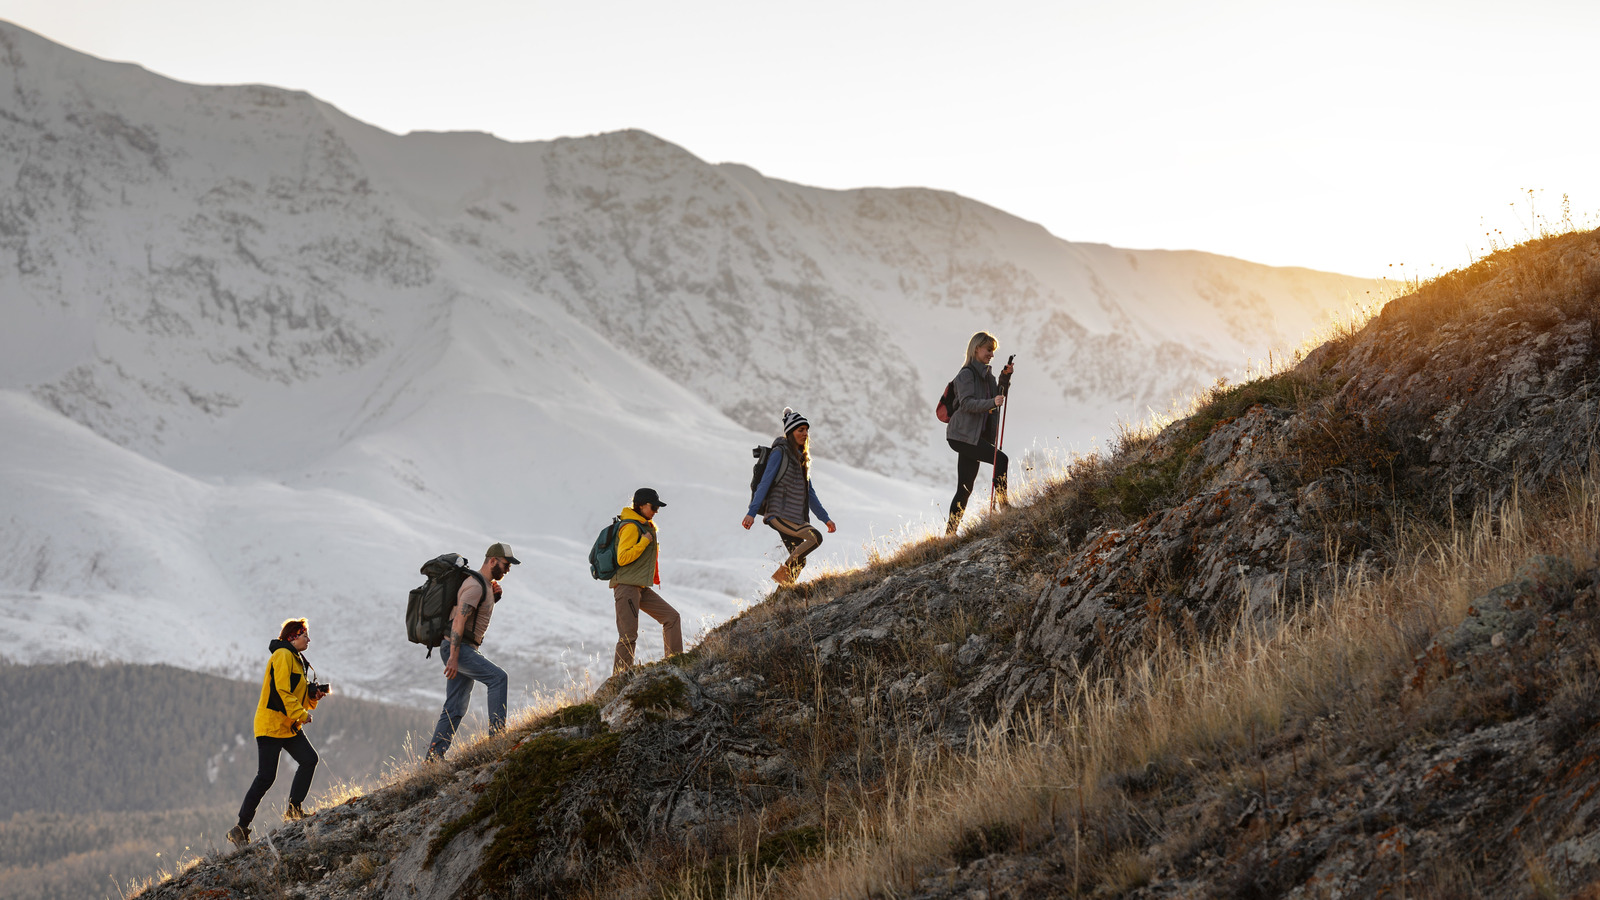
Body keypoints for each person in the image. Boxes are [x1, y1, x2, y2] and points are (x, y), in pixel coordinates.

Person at [228, 617, 327, 847]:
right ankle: (240, 828)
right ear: (292, 637)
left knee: (309, 759)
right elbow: (282, 692)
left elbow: (295, 694)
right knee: (266, 777)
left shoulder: (296, 658)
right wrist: (302, 714)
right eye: (305, 635)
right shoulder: (283, 655)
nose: (309, 640)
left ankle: (294, 810)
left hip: (287, 726)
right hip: (271, 726)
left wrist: (313, 697)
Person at [426, 543, 519, 760]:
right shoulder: (475, 585)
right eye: (506, 565)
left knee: (455, 707)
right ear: (492, 560)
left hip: (461, 648)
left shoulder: (484, 586)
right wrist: (454, 657)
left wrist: (493, 599)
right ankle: (497, 741)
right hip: (458, 648)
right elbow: (459, 620)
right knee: (498, 678)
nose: (507, 570)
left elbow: (474, 616)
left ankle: (433, 759)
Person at [743, 407, 837, 584]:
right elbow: (765, 482)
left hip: (795, 518)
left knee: (799, 561)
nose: (805, 433)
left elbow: (810, 494)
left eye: (806, 430)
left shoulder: (802, 459)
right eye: (801, 430)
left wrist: (825, 519)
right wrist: (751, 512)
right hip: (778, 514)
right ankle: (781, 579)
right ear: (791, 432)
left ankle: (780, 595)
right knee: (815, 537)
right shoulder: (779, 453)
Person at [945, 331, 1014, 534]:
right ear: (977, 349)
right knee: (1001, 459)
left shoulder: (987, 375)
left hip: (971, 436)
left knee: (965, 488)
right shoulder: (966, 374)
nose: (992, 354)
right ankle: (1004, 507)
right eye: (989, 350)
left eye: (993, 351)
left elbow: (998, 396)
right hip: (962, 435)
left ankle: (949, 535)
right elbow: (967, 403)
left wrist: (1005, 377)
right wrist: (992, 402)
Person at [611, 487, 683, 674]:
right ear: (641, 505)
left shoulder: (643, 526)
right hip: (626, 587)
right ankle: (618, 682)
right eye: (654, 507)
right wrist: (644, 541)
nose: (656, 511)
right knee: (628, 637)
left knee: (671, 617)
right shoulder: (630, 527)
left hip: (640, 587)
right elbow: (622, 558)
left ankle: (675, 665)